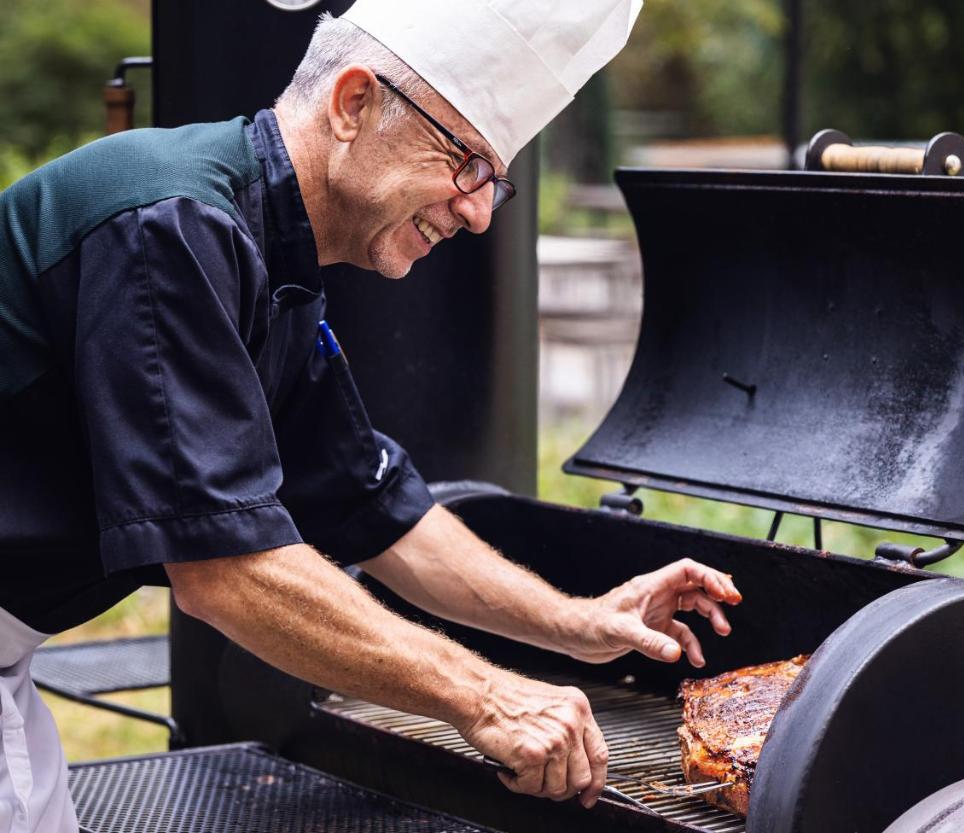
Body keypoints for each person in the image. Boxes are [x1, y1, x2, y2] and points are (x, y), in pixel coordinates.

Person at [0, 2, 743, 830]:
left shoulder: (273, 261)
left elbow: (372, 505)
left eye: (494, 180)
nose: (478, 212)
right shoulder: (172, 224)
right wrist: (485, 695)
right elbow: (223, 570)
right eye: (464, 160)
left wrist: (579, 623)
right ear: (353, 104)